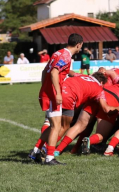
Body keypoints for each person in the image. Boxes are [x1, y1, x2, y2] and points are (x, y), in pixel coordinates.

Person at [28, 33, 83, 165]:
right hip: (53, 94)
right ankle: (49, 158)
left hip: (48, 92)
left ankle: (36, 151)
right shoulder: (66, 56)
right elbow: (54, 72)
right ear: (78, 44)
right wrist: (57, 93)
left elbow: (45, 71)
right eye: (81, 46)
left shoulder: (58, 53)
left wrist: (45, 88)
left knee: (53, 125)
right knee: (56, 126)